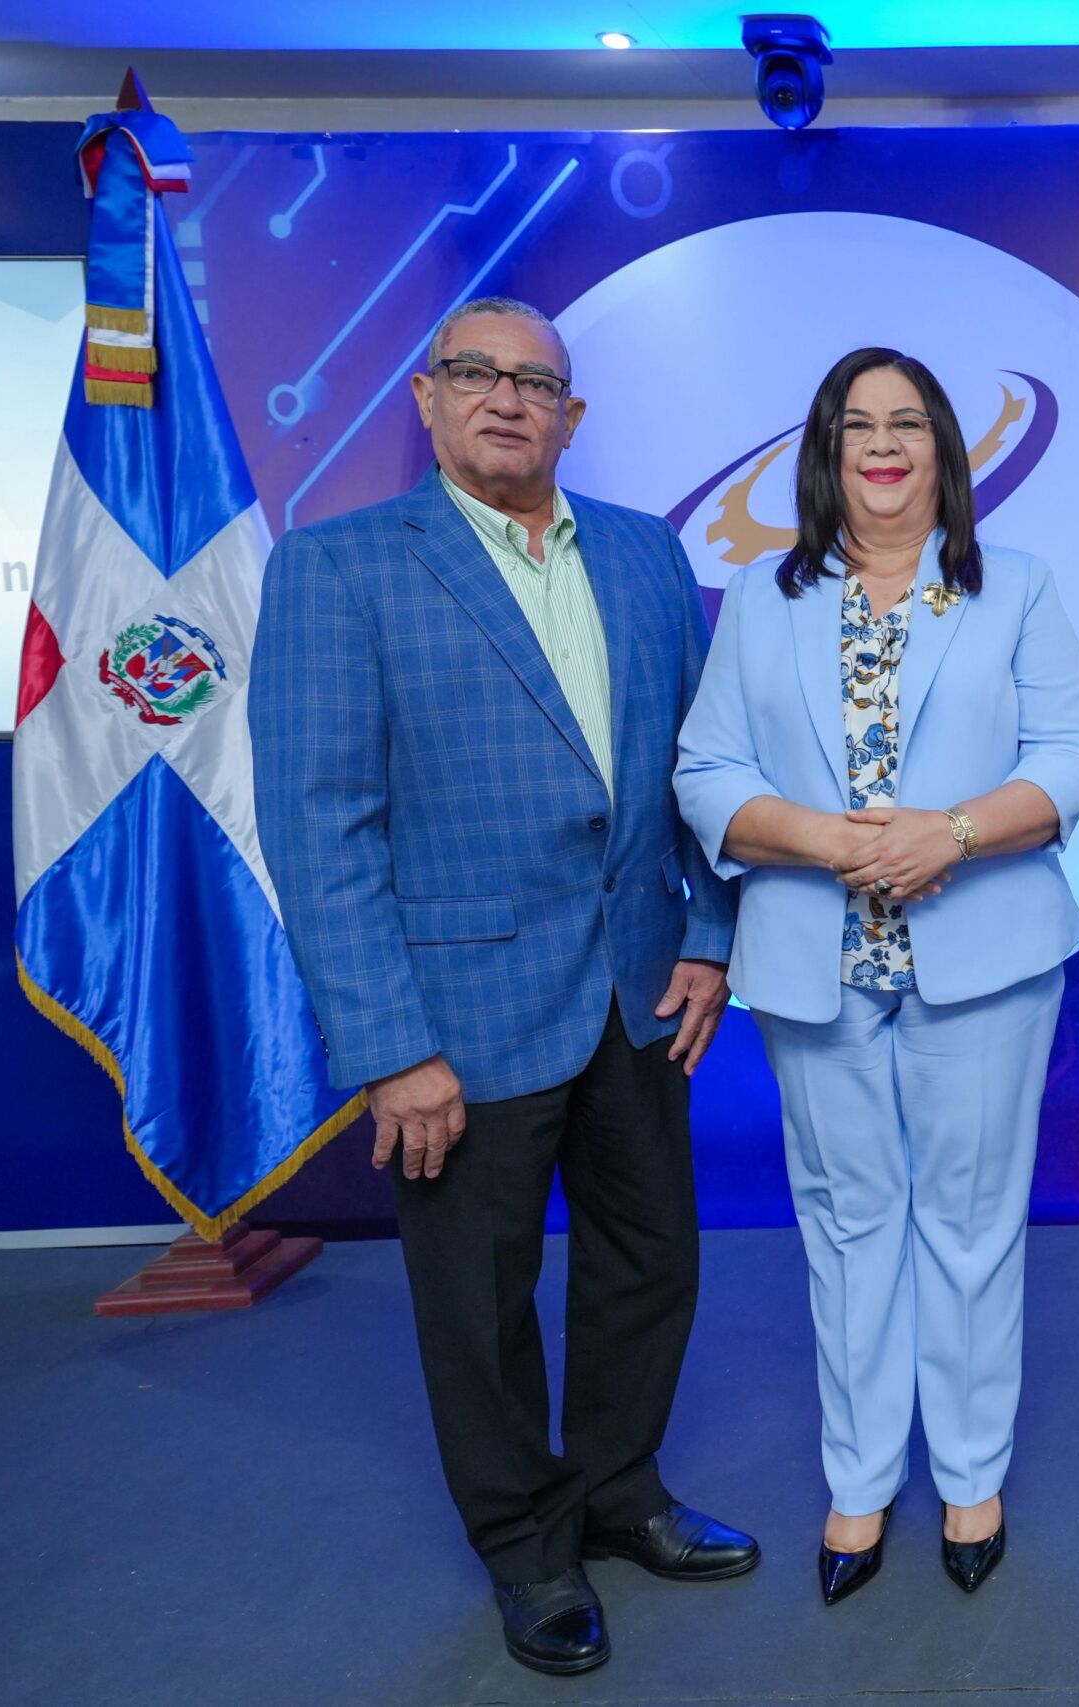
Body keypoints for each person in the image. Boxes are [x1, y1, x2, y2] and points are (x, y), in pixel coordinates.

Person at [252, 298, 754, 1678]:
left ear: (572, 415)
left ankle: (619, 1490)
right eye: (474, 372)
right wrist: (389, 1048)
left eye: (537, 381)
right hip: (455, 1026)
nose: (507, 398)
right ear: (426, 398)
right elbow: (320, 825)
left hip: (640, 992)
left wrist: (711, 931)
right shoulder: (339, 567)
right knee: (479, 1301)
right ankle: (528, 1546)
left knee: (651, 1261)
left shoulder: (647, 553)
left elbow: (699, 767)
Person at [672, 347, 1079, 1606]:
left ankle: (970, 1475)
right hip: (815, 961)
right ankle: (858, 1481)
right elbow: (706, 772)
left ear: (944, 450)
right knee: (849, 1225)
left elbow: (1070, 763)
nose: (882, 445)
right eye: (856, 424)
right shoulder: (761, 600)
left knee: (970, 1223)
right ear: (825, 452)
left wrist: (949, 834)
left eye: (907, 423)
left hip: (986, 955)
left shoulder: (1016, 586)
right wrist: (823, 840)